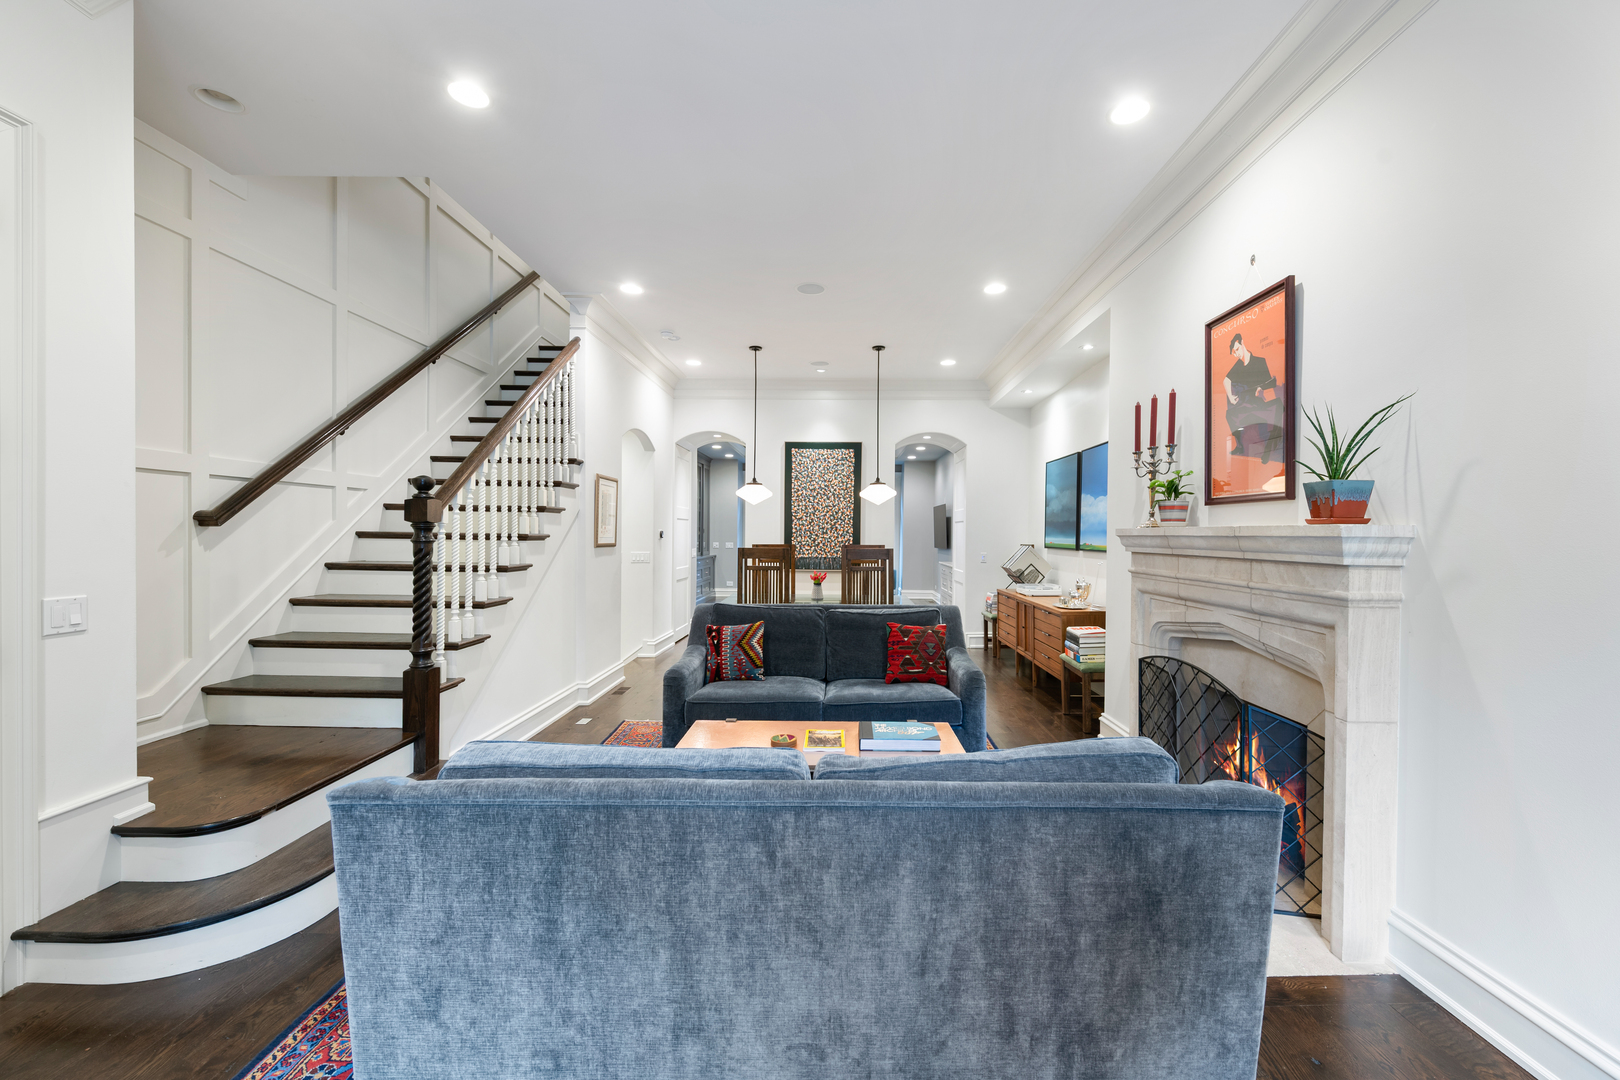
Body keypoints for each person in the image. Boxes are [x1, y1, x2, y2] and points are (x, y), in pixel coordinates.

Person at [1222, 333, 1285, 464]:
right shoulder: (1239, 365)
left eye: (1237, 349)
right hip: (1246, 405)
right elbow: (1226, 381)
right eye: (1234, 352)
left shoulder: (1259, 361)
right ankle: (1240, 446)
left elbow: (1272, 382)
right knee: (1230, 414)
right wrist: (1231, 397)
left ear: (1242, 343)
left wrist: (1261, 388)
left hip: (1261, 403)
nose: (1236, 354)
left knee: (1278, 410)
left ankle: (1268, 452)